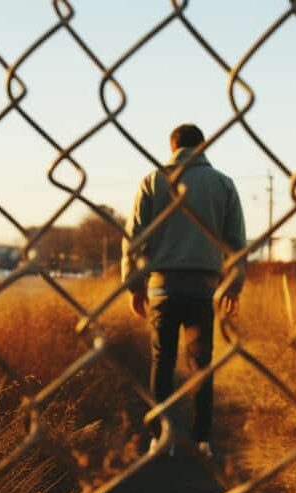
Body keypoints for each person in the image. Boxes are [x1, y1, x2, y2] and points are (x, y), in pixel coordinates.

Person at [121, 123, 246, 458]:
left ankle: (159, 438)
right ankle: (202, 439)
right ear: (202, 145)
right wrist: (234, 284)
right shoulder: (223, 184)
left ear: (171, 145)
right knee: (200, 362)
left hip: (161, 286)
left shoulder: (152, 181)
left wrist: (134, 286)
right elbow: (236, 243)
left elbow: (133, 239)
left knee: (162, 361)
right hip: (204, 289)